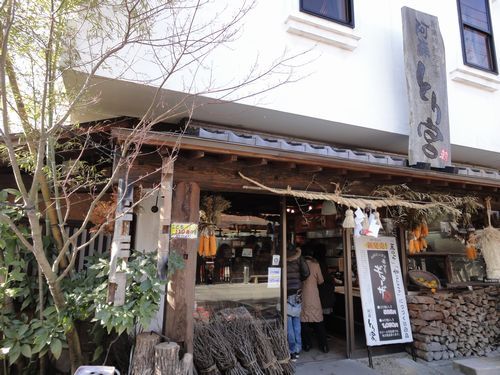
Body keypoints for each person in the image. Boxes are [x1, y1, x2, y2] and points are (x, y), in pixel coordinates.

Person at [301, 244, 329, 353]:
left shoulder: (300, 265)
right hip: (313, 295)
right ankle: (324, 346)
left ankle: (307, 344)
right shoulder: (316, 265)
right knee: (318, 320)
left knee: (303, 321)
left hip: (303, 295)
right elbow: (321, 281)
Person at [286, 243, 309, 361]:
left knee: (288, 322)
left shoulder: (281, 256)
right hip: (297, 292)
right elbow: (306, 273)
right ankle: (298, 348)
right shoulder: (299, 257)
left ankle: (292, 350)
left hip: (286, 292)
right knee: (296, 321)